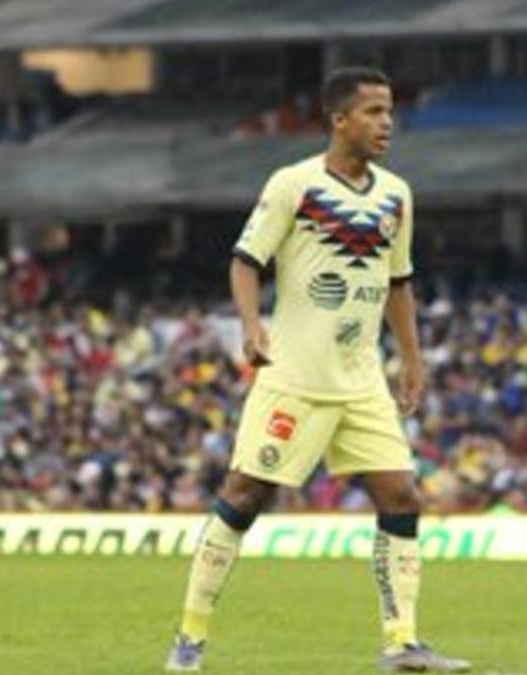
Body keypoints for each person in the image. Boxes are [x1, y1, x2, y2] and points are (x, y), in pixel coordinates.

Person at [164, 67, 470, 673]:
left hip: (361, 380)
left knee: (401, 495)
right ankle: (190, 638)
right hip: (295, 376)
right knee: (245, 496)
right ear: (340, 120)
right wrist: (252, 326)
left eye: (390, 111)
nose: (388, 123)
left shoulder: (396, 195)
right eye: (374, 112)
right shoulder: (294, 185)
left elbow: (399, 283)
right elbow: (246, 262)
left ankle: (401, 643)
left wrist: (412, 360)